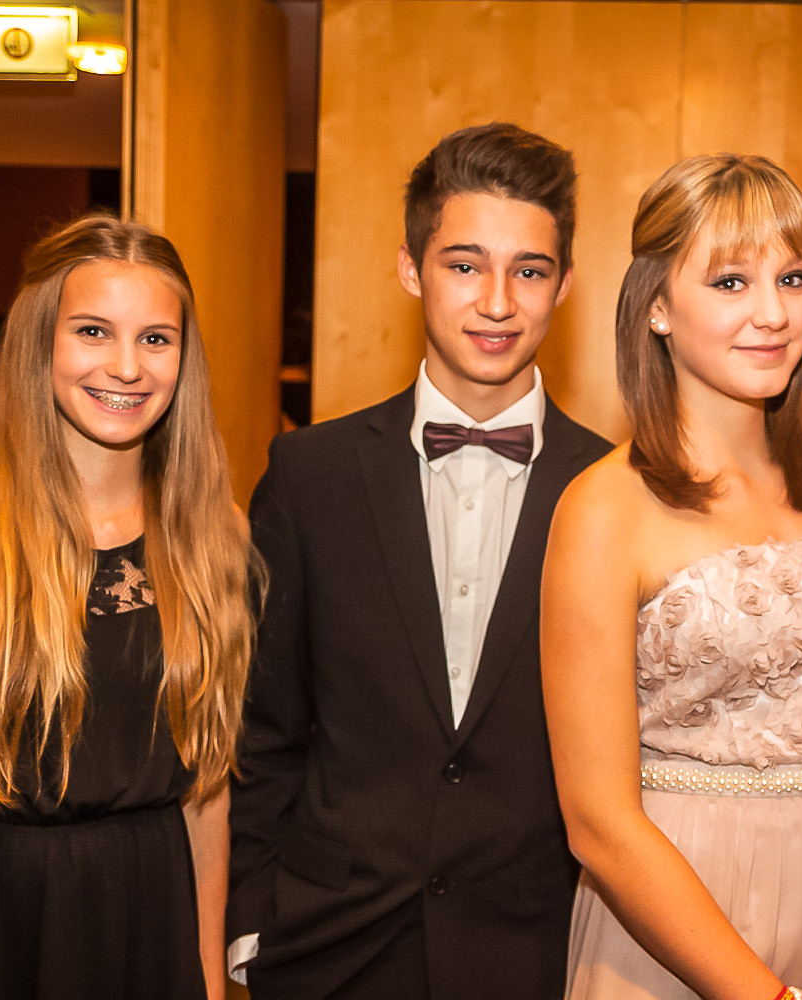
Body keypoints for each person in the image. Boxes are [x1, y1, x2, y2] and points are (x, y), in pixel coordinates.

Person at [227, 122, 612, 999]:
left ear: (564, 285)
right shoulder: (309, 475)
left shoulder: (615, 489)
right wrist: (252, 925)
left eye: (529, 271)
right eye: (465, 265)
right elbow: (262, 727)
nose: (497, 302)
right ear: (411, 269)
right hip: (329, 947)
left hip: (539, 955)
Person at [0, 214, 261, 1000]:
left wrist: (207, 981)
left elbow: (207, 795)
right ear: (40, 339)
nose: (126, 366)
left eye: (156, 339)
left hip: (141, 916)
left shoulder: (214, 532)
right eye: (93, 331)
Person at [542, 153, 802, 1000]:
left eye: (793, 278)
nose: (774, 313)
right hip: (678, 927)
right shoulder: (604, 508)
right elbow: (598, 822)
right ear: (657, 307)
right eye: (731, 282)